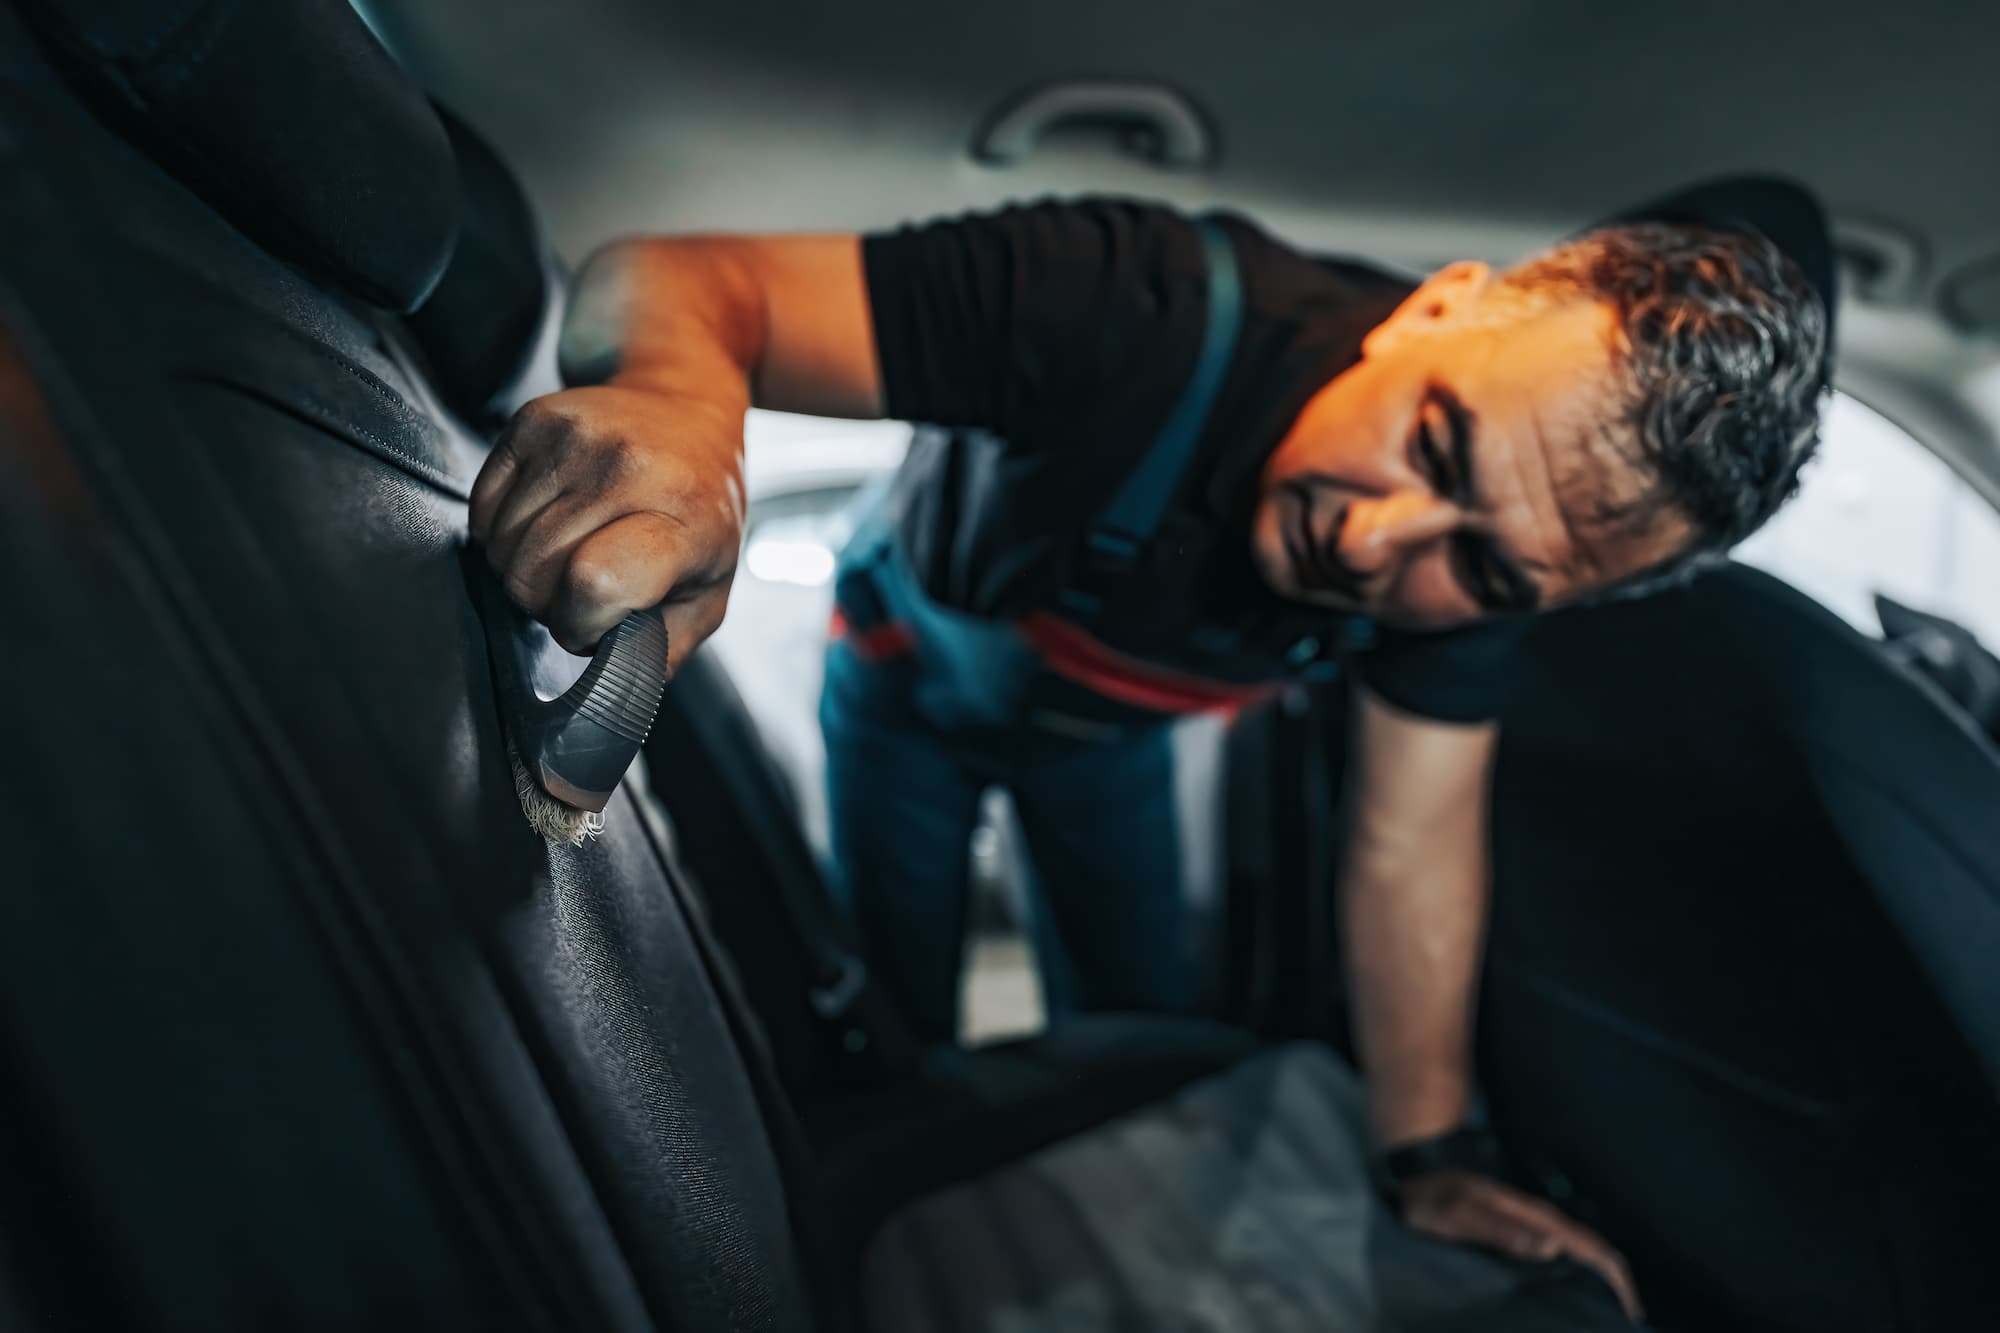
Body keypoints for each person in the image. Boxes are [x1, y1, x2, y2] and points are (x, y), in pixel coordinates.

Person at [468, 178, 1835, 1312]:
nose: (1374, 545)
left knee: (1134, 1017)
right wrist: (687, 422)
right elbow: (687, 277)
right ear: (1440, 304)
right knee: (889, 1022)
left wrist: (1429, 1152)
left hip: (1108, 743)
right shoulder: (1140, 302)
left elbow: (1410, 839)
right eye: (1433, 439)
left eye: (1486, 570)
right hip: (906, 684)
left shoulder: (1486, 574)